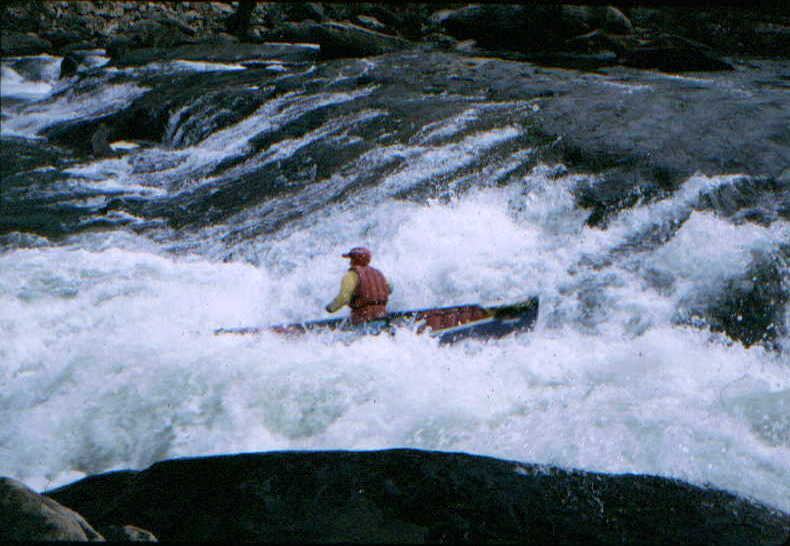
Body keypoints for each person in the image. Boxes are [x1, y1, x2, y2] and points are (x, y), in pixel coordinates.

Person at [325, 247, 392, 324]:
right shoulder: (379, 274)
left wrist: (330, 308)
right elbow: (390, 289)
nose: (350, 262)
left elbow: (343, 297)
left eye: (351, 259)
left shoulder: (351, 275)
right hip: (382, 316)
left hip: (362, 319)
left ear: (355, 260)